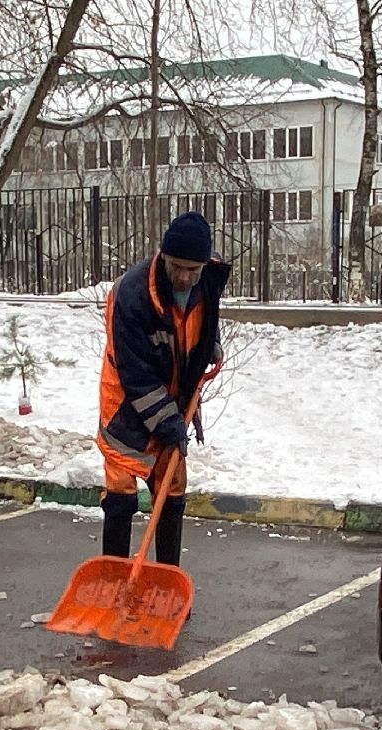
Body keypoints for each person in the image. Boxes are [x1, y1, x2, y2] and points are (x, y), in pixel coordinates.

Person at [95, 210, 230, 572]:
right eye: (177, 267)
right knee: (122, 490)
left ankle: (165, 578)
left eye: (193, 269)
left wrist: (209, 343)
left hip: (174, 400)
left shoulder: (208, 281)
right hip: (126, 404)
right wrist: (169, 423)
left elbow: (199, 324)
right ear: (163, 257)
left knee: (171, 491)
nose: (185, 277)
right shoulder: (131, 294)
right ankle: (113, 578)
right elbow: (135, 373)